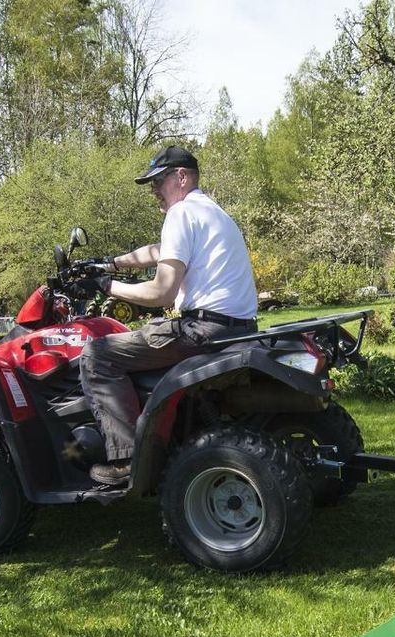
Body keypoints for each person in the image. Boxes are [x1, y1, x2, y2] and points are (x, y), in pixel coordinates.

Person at [70, 145, 258, 485]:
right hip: (235, 328)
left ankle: (126, 457)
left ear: (181, 177)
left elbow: (161, 293)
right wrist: (109, 262)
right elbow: (160, 251)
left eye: (159, 181)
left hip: (201, 329)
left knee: (96, 355)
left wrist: (105, 285)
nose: (154, 190)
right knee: (148, 332)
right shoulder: (212, 212)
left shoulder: (181, 213)